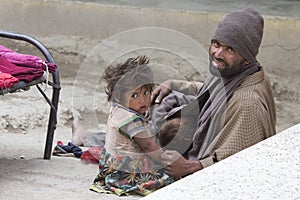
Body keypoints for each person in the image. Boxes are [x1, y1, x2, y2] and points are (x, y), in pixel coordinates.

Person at [151, 8, 276, 179]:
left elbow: (242, 162)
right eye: (216, 44)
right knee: (167, 100)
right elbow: (212, 92)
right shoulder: (240, 71)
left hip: (228, 179)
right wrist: (172, 84)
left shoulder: (247, 103)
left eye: (230, 49)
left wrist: (190, 166)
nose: (218, 54)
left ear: (246, 57)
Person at [90, 55, 174, 196]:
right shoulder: (129, 119)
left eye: (146, 93)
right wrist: (167, 161)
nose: (143, 100)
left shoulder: (118, 108)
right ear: (118, 96)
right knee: (169, 179)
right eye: (134, 95)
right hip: (126, 172)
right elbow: (147, 146)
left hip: (110, 166)